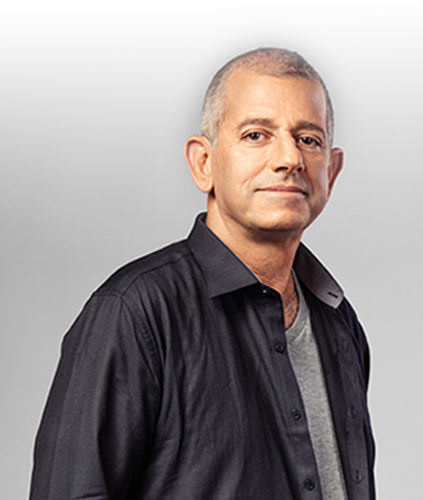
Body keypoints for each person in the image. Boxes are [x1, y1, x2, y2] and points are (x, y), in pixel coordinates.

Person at [29, 48, 376, 500]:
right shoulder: (135, 313)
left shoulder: (339, 323)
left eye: (308, 139)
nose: (290, 157)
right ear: (203, 163)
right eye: (256, 135)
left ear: (332, 169)